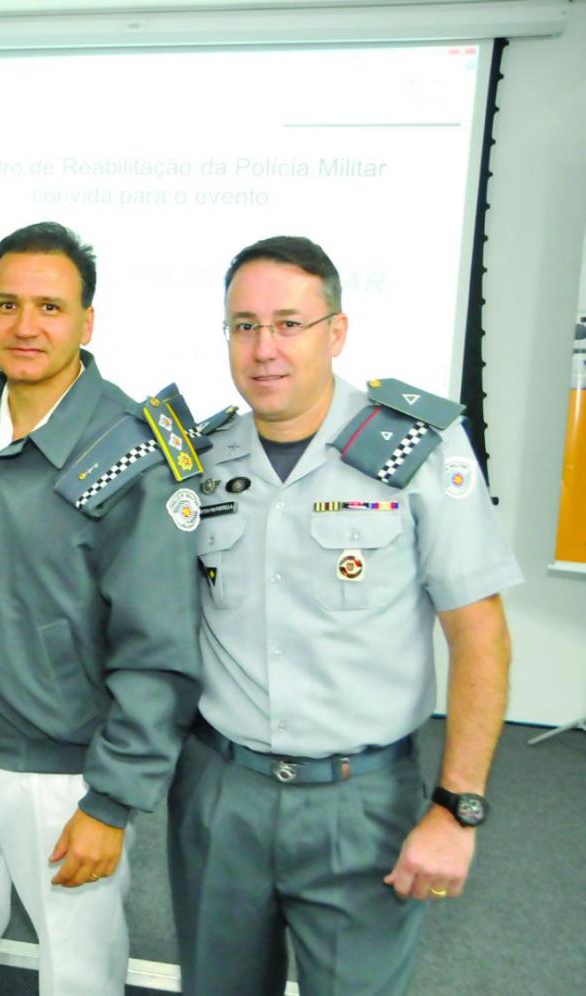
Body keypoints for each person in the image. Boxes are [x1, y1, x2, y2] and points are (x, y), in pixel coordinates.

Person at [168, 235, 522, 995]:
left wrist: (457, 811)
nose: (265, 348)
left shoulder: (417, 448)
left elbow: (480, 635)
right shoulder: (202, 458)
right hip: (220, 794)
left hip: (360, 805)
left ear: (337, 331)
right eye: (244, 325)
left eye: (289, 323)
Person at [0, 221, 202, 995]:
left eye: (49, 307)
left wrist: (111, 801)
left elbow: (159, 648)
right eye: (7, 305)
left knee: (77, 976)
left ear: (87, 322)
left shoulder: (133, 452)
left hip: (63, 774)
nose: (25, 326)